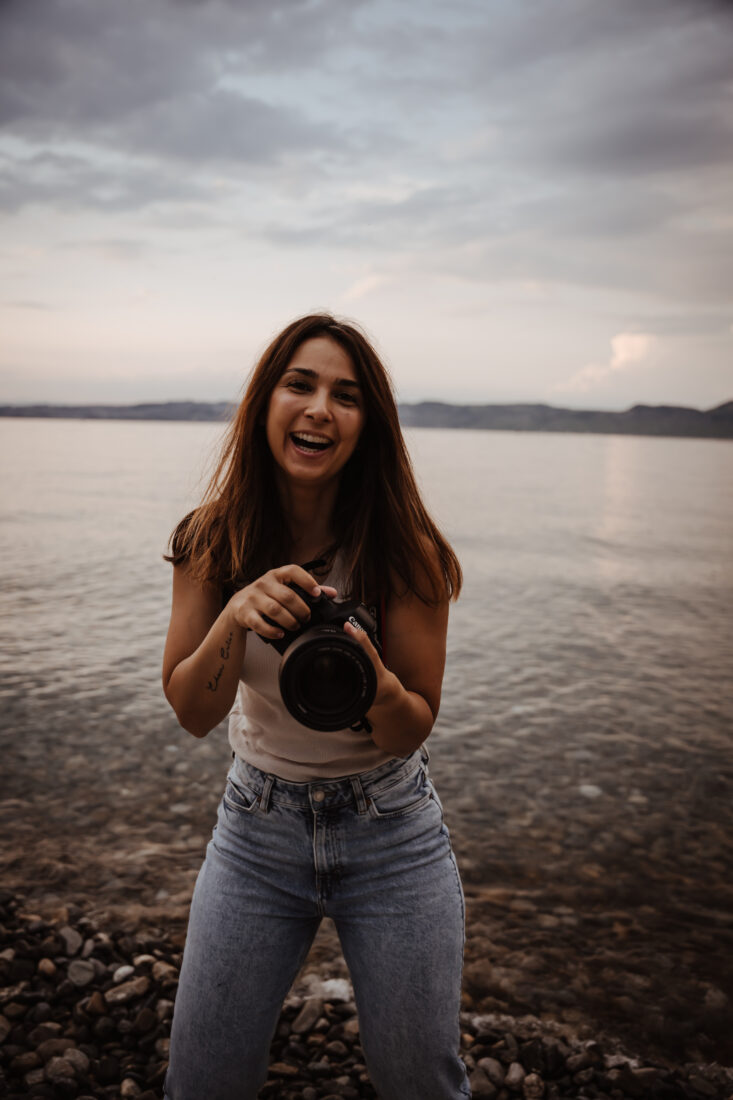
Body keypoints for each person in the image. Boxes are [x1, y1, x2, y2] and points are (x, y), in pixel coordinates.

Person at [161, 314, 470, 1100]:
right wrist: (235, 613)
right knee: (201, 1082)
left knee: (421, 1084)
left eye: (347, 395)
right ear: (265, 402)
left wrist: (369, 675)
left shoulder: (407, 552)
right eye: (299, 384)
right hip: (254, 835)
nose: (318, 410)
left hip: (391, 836)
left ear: (369, 426)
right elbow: (193, 711)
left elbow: (411, 727)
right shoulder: (211, 541)